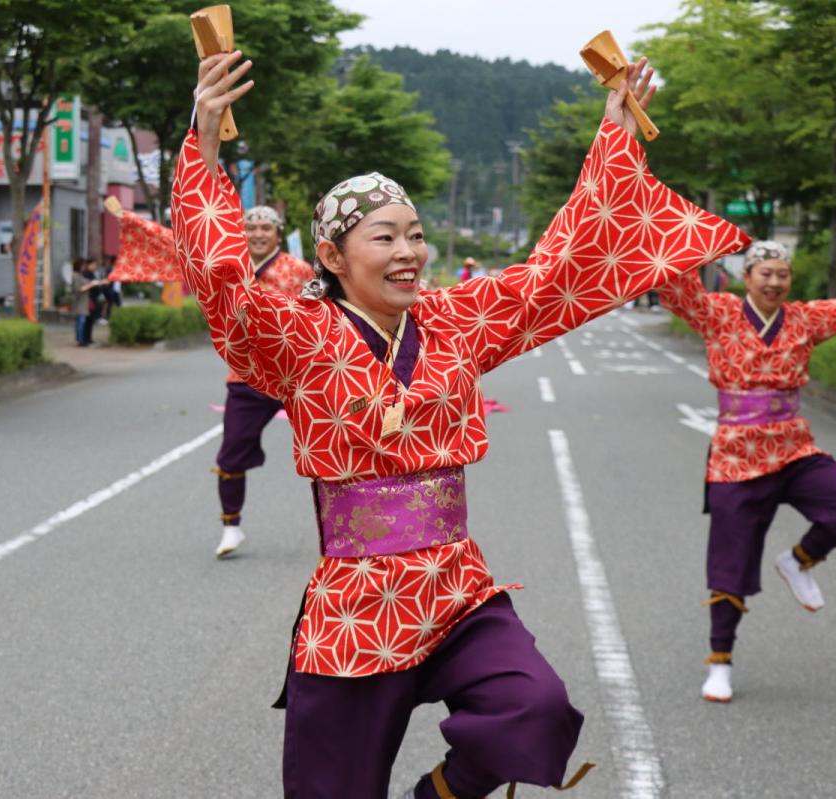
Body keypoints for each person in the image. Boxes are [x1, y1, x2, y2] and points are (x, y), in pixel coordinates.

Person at [175, 50, 748, 798]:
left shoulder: (454, 320)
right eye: (384, 237)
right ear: (332, 256)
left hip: (454, 588)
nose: (410, 252)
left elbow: (556, 270)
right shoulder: (297, 334)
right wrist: (205, 143)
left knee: (534, 708)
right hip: (357, 606)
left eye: (415, 234)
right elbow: (223, 287)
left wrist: (614, 138)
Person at [657, 237, 836, 704]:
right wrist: (660, 234)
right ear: (746, 277)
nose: (775, 282)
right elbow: (675, 289)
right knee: (729, 567)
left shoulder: (805, 319)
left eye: (782, 274)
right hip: (736, 456)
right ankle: (720, 663)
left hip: (793, 446)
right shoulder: (718, 313)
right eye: (765, 274)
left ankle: (798, 560)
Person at [211, 203, 315, 558]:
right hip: (246, 374)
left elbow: (320, 314)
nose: (257, 234)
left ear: (277, 233)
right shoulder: (230, 269)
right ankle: (231, 528)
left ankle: (338, 530)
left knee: (326, 450)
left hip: (295, 375)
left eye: (265, 228)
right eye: (251, 227)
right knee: (231, 452)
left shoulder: (298, 270)